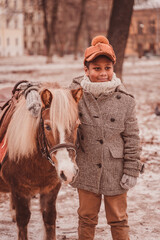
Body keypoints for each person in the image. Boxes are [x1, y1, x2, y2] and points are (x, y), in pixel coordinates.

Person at [26, 35, 144, 240]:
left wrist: (131, 169)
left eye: (107, 68)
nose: (103, 73)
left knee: (118, 218)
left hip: (115, 170)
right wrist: (31, 91)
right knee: (87, 217)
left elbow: (132, 138)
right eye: (96, 68)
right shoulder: (74, 96)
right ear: (86, 70)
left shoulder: (125, 101)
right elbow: (51, 99)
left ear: (113, 69)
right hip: (87, 167)